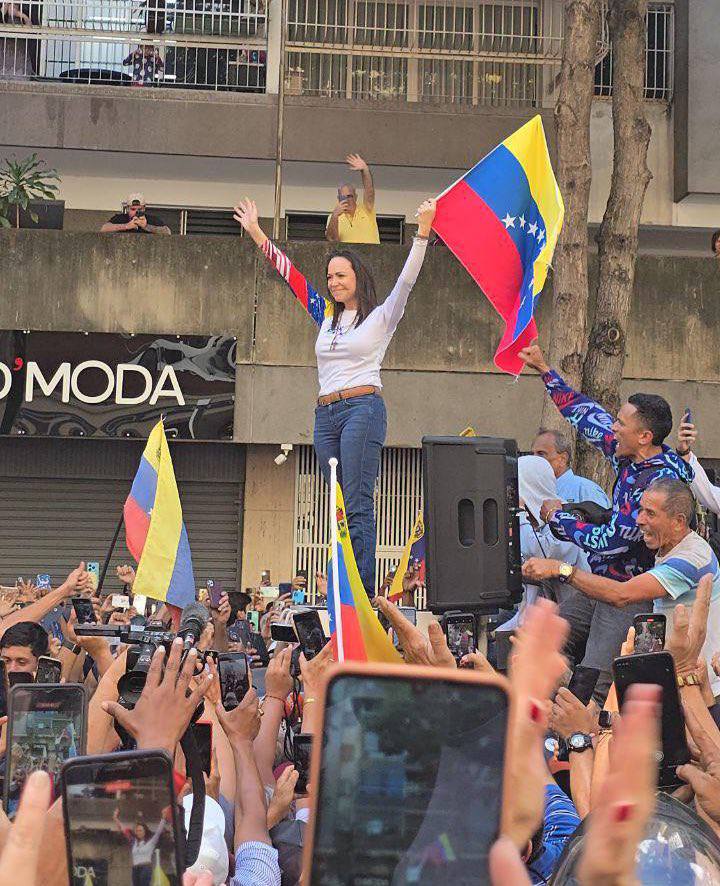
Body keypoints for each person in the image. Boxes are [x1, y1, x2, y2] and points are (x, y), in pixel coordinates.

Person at [234, 195, 436, 595]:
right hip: (325, 415)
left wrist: (424, 231)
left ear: (358, 277)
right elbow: (291, 276)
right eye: (329, 277)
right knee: (337, 505)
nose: (333, 283)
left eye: (341, 275)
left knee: (358, 502)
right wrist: (257, 233)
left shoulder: (381, 317)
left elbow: (407, 280)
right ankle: (339, 582)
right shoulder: (325, 315)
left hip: (362, 408)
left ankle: (360, 590)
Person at [524, 477, 720, 696]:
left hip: (698, 688)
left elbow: (621, 595)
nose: (639, 520)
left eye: (650, 513)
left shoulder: (690, 559)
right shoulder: (672, 545)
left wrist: (561, 569)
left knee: (598, 692)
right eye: (641, 510)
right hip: (677, 679)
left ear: (678, 522)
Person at [531, 428, 610, 507]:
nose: (534, 459)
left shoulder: (586, 489)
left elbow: (602, 518)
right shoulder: (532, 490)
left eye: (541, 454)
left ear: (562, 459)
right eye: (532, 454)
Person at [326, 154, 380, 245]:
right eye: (343, 197)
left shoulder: (366, 209)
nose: (346, 200)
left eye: (349, 196)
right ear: (338, 199)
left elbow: (369, 191)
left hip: (371, 257)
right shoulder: (333, 217)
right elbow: (333, 240)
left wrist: (365, 170)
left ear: (356, 197)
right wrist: (335, 216)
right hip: (348, 258)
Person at [113, 810, 167, 886]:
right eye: (137, 831)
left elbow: (158, 831)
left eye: (140, 830)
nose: (138, 832)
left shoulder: (151, 842)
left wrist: (163, 818)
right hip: (135, 868)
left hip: (145, 867)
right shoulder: (133, 842)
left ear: (145, 831)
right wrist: (115, 818)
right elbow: (123, 829)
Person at [100, 193, 171, 235]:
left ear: (144, 208)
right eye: (133, 209)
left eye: (139, 209)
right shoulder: (120, 218)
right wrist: (127, 226)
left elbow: (167, 232)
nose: (136, 212)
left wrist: (146, 226)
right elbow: (104, 229)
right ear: (127, 209)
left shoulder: (152, 219)